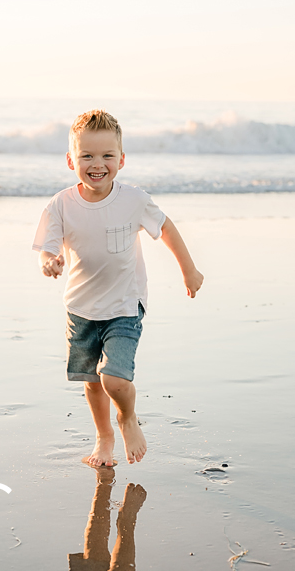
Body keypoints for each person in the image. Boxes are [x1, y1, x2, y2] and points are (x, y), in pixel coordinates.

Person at [33, 109, 204, 466]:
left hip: (125, 306)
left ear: (121, 159)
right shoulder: (61, 205)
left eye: (107, 155)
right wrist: (49, 262)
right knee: (92, 382)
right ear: (71, 160)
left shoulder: (133, 200)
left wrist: (188, 270)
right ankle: (103, 436)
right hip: (80, 308)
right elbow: (47, 247)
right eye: (87, 156)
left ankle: (127, 417)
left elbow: (167, 228)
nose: (98, 164)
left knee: (112, 378)